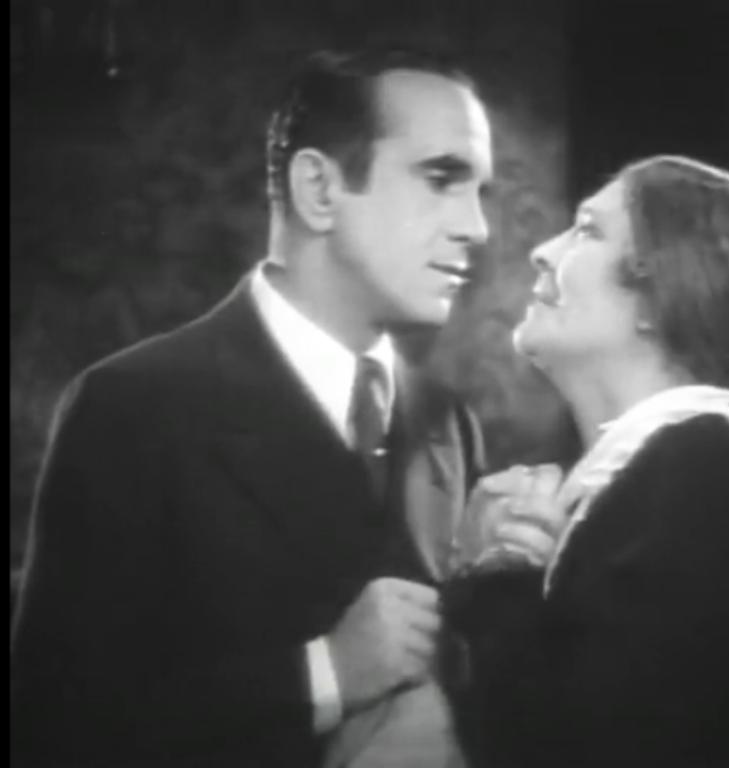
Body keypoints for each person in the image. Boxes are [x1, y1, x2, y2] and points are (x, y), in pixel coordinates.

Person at [11, 46, 511, 768]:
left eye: (480, 191)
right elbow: (52, 729)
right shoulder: (131, 408)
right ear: (319, 189)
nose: (477, 227)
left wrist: (502, 590)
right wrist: (324, 673)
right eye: (441, 179)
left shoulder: (448, 424)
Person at [439, 155, 729, 767]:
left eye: (588, 230)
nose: (542, 251)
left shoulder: (702, 482)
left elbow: (576, 747)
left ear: (661, 300)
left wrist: (497, 575)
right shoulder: (660, 475)